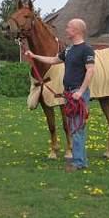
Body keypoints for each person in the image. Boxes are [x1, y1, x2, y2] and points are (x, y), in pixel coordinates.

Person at [25, 18, 95, 172]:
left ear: (76, 30)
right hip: (68, 93)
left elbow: (90, 71)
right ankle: (80, 161)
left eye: (69, 27)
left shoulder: (86, 50)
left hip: (78, 94)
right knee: (74, 127)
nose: (66, 29)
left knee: (77, 128)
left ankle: (78, 163)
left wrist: (81, 92)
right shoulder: (69, 50)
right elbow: (53, 60)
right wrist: (34, 56)